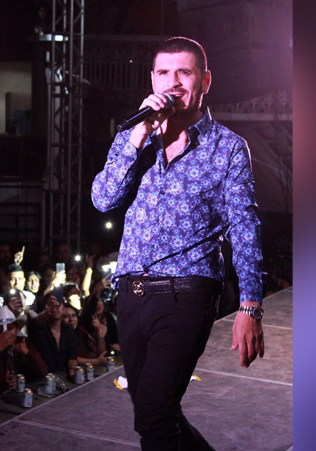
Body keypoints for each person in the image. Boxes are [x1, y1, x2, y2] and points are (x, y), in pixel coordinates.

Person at [91, 36, 265, 451]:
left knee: (154, 413)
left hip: (187, 292)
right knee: (155, 414)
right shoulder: (134, 137)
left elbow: (245, 226)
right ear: (152, 79)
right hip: (131, 294)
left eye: (184, 73)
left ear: (204, 81)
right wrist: (139, 136)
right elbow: (103, 199)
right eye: (164, 73)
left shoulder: (227, 148)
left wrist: (250, 306)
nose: (173, 82)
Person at [27, 295, 78, 379]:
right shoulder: (39, 329)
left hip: (62, 378)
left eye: (58, 305)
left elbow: (72, 356)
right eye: (52, 305)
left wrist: (74, 369)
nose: (55, 308)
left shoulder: (68, 330)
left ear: (64, 309)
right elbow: (35, 323)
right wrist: (48, 311)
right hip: (41, 379)